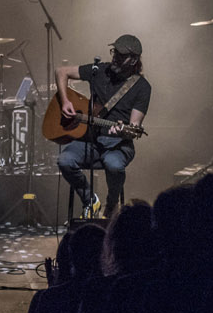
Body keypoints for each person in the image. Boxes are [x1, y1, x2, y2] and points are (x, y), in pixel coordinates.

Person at [54, 35, 151, 218]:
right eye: (114, 52)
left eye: (121, 55)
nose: (115, 57)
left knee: (113, 164)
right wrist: (65, 101)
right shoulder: (99, 70)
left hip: (118, 145)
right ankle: (90, 200)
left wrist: (123, 131)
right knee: (64, 160)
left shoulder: (142, 87)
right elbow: (61, 71)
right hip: (91, 140)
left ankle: (112, 204)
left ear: (133, 60)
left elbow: (134, 126)